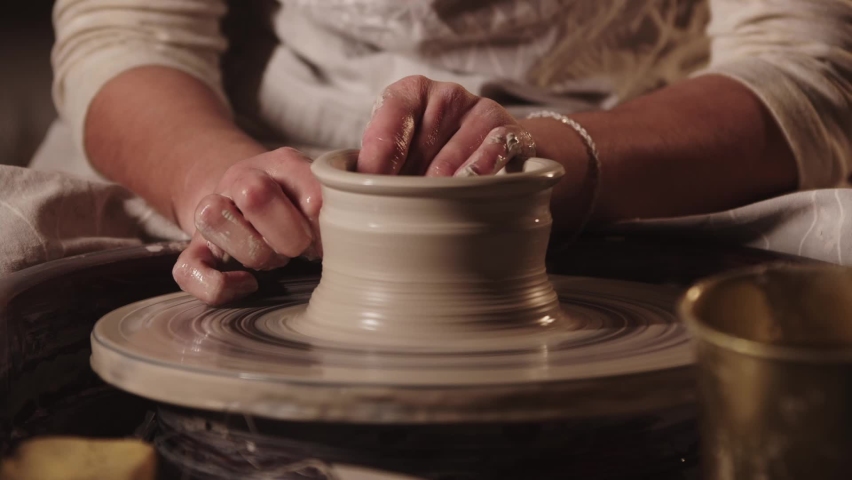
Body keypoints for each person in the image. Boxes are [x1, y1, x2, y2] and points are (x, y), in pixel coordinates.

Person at [26, 0, 850, 303]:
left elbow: (812, 70)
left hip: (636, 151)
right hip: (254, 144)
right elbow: (125, 33)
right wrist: (216, 179)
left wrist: (543, 165)